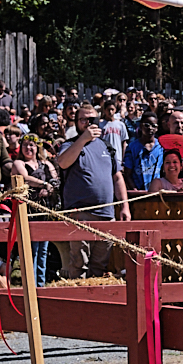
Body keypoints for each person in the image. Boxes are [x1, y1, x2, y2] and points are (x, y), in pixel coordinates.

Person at [55, 104, 130, 279]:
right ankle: (77, 301)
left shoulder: (107, 147)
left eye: (92, 119)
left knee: (99, 264)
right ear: (76, 122)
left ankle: (95, 301)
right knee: (79, 263)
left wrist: (125, 206)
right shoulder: (70, 144)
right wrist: (83, 140)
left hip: (106, 213)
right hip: (80, 213)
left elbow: (118, 178)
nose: (88, 123)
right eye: (83, 119)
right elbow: (63, 163)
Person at [11, 136, 59, 285]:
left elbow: (56, 178)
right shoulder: (19, 163)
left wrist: (50, 190)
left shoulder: (45, 163)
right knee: (31, 249)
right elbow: (24, 178)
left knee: (43, 249)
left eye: (31, 145)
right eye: (25, 145)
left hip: (44, 210)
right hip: (27, 210)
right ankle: (30, 283)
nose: (28, 148)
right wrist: (44, 184)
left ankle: (40, 283)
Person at [121, 113, 164, 191]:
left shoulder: (161, 147)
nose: (150, 128)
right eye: (147, 125)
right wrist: (134, 189)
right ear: (140, 126)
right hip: (138, 193)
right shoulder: (132, 147)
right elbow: (127, 173)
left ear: (157, 128)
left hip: (157, 192)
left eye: (153, 125)